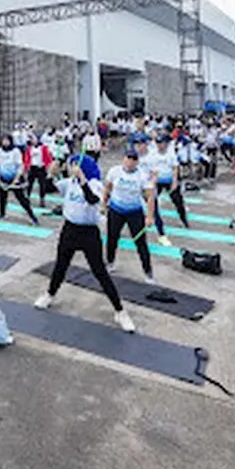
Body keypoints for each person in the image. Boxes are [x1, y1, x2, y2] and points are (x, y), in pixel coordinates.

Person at [35, 156, 136, 332]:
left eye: (76, 166)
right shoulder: (69, 182)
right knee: (60, 266)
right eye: (72, 166)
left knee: (100, 272)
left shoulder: (96, 184)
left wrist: (82, 179)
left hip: (89, 233)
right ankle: (49, 294)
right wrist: (50, 174)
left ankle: (119, 311)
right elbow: (47, 188)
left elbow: (91, 199)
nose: (72, 169)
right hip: (69, 230)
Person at [101, 148, 157, 284]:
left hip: (134, 212)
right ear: (123, 158)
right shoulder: (115, 171)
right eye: (128, 158)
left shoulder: (142, 175)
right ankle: (110, 262)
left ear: (137, 162)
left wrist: (149, 217)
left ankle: (148, 272)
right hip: (116, 210)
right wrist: (103, 204)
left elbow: (150, 197)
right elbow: (107, 188)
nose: (130, 162)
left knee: (141, 243)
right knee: (112, 238)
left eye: (134, 159)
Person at [144, 135, 188, 247]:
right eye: (158, 143)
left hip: (169, 180)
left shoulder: (170, 153)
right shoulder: (152, 153)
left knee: (178, 201)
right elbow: (149, 170)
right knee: (152, 202)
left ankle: (183, 219)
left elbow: (175, 168)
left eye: (162, 143)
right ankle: (157, 225)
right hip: (157, 181)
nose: (160, 145)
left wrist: (174, 181)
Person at [0, 134, 39, 223]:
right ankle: (2, 213)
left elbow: (20, 165)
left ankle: (32, 216)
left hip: (15, 178)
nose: (5, 142)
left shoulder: (16, 151)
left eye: (7, 140)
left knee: (21, 199)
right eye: (3, 140)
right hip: (3, 178)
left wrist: (17, 178)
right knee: (2, 197)